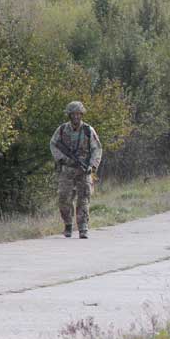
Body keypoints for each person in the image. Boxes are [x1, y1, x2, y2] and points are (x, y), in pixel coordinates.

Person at [50, 101, 103, 239]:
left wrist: (92, 165)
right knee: (63, 198)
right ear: (69, 115)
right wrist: (61, 158)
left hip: (83, 170)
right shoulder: (62, 130)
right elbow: (53, 144)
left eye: (78, 114)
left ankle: (83, 227)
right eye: (73, 114)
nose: (76, 117)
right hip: (66, 170)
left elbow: (97, 149)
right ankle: (68, 224)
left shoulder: (88, 130)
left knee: (84, 199)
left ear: (81, 114)